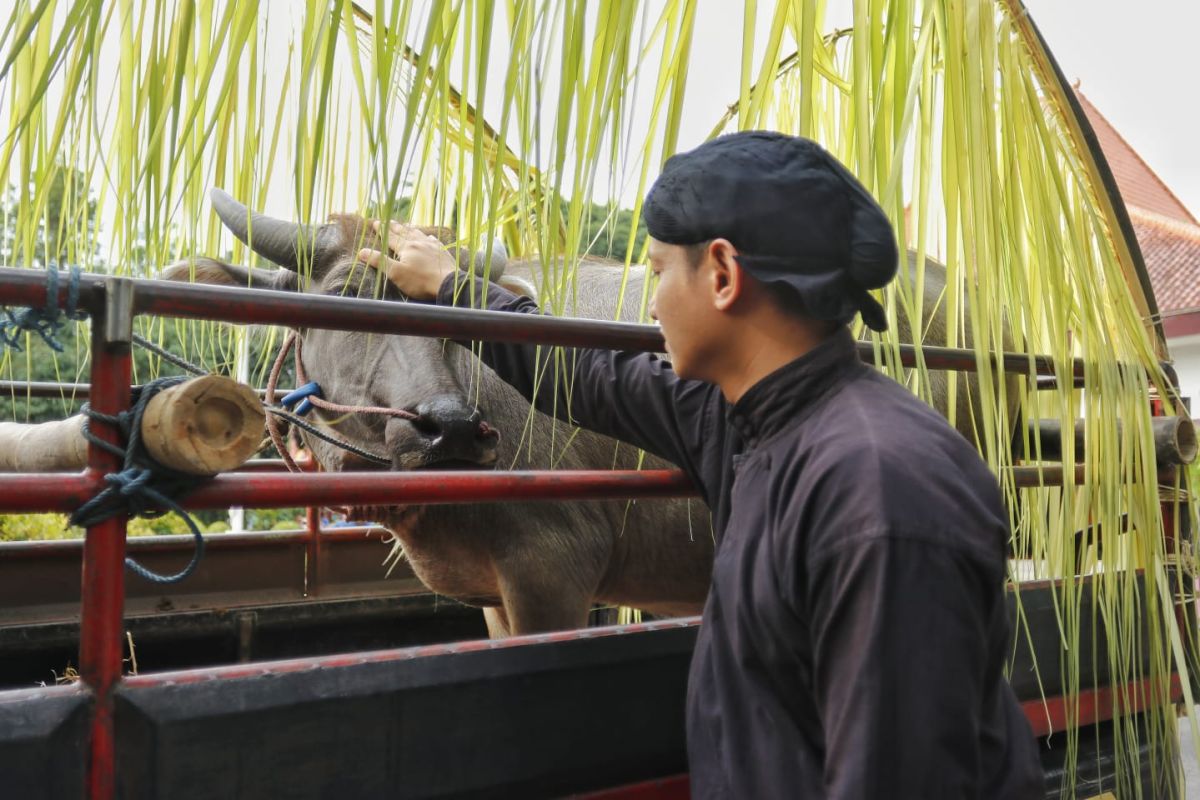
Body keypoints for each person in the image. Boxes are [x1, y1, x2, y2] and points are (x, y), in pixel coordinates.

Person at [358, 131, 1042, 798]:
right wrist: (452, 287)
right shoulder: (739, 416)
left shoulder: (881, 491)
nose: (649, 303)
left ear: (721, 274)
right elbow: (583, 375)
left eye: (656, 272)